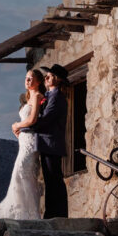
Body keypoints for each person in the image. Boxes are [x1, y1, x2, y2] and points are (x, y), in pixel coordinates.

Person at [0, 69, 45, 220]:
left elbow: (32, 120)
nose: (27, 81)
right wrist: (19, 130)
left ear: (38, 81)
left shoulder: (37, 96)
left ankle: (29, 213)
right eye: (26, 78)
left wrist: (16, 125)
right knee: (20, 172)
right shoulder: (28, 97)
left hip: (30, 140)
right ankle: (21, 210)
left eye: (31, 79)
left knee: (22, 170)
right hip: (23, 140)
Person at [36, 64, 69, 218]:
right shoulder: (49, 96)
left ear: (58, 79)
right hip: (46, 143)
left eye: (49, 76)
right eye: (46, 75)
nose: (46, 78)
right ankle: (52, 212)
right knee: (50, 179)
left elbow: (46, 119)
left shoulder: (56, 97)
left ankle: (57, 213)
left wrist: (27, 126)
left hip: (51, 143)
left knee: (54, 179)